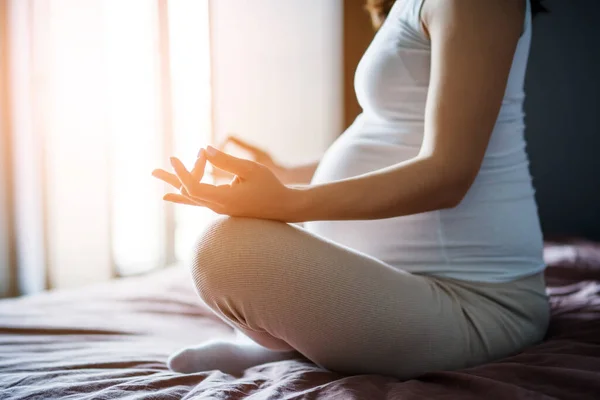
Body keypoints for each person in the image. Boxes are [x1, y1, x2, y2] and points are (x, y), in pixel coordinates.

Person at [152, 0, 550, 380]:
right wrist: (286, 174)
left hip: (476, 303)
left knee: (225, 248)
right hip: (403, 280)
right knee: (231, 241)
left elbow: (448, 175)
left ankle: (291, 345)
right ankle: (294, 343)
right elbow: (398, 134)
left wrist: (288, 201)